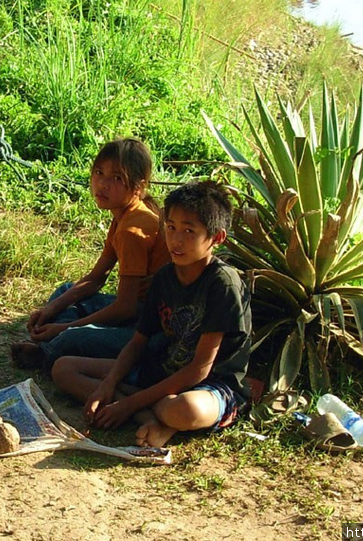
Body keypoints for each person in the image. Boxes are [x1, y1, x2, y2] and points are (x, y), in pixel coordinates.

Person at [51, 180, 251, 448]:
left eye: (189, 231)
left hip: (211, 386)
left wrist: (128, 402)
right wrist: (108, 384)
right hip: (161, 372)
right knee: (63, 368)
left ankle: (154, 414)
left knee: (185, 410)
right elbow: (138, 342)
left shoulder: (222, 284)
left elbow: (200, 369)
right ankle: (152, 418)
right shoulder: (165, 276)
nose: (176, 240)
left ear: (216, 238)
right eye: (171, 228)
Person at [10, 138, 171, 373]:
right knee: (66, 292)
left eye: (117, 178)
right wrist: (50, 310)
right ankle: (54, 339)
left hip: (150, 328)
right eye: (99, 173)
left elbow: (125, 308)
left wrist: (64, 329)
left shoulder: (132, 230)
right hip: (134, 311)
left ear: (138, 186)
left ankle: (47, 354)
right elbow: (95, 279)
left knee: (74, 336)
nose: (102, 184)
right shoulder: (123, 217)